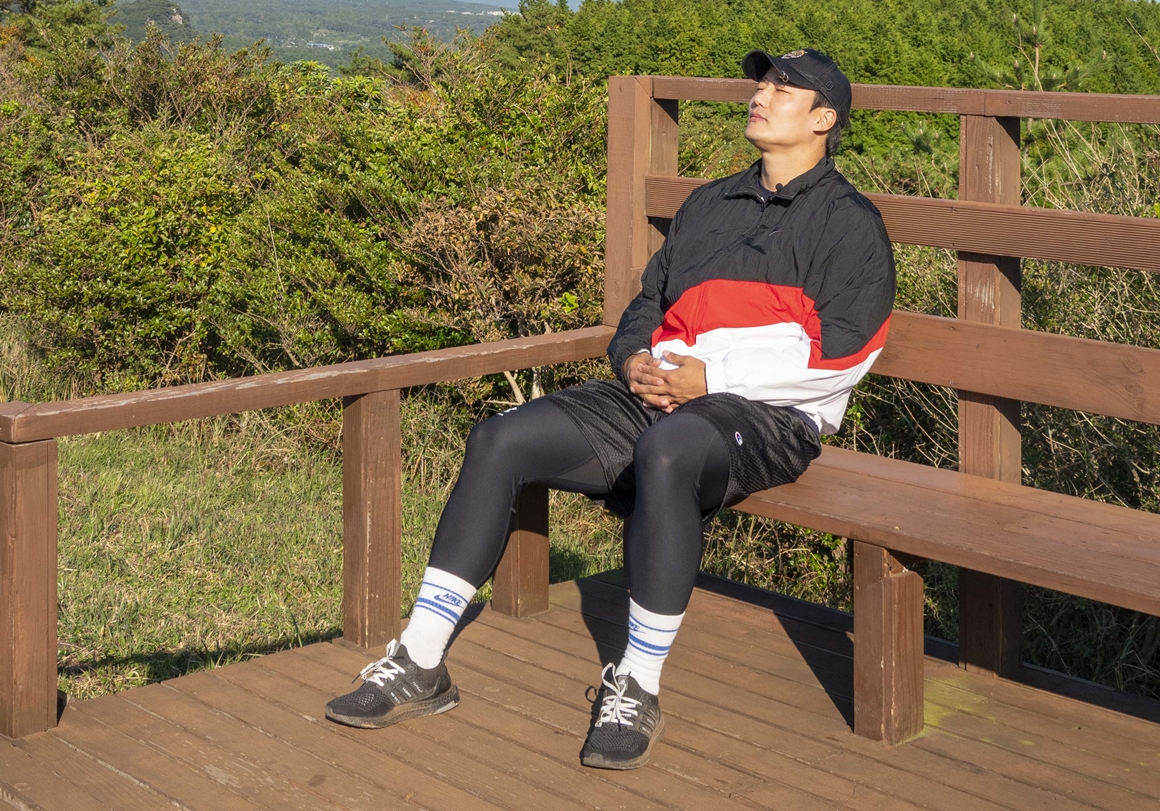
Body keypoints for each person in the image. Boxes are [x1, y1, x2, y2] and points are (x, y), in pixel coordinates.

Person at [324, 46, 896, 770]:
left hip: (771, 415)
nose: (760, 93)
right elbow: (648, 304)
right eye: (761, 82)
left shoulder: (849, 224)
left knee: (670, 452)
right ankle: (421, 659)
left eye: (784, 89)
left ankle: (636, 684)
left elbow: (845, 355)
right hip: (658, 393)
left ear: (824, 119)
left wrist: (709, 376)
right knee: (501, 439)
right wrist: (632, 359)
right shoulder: (709, 202)